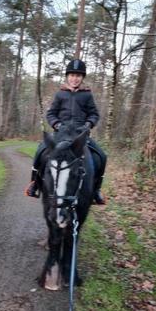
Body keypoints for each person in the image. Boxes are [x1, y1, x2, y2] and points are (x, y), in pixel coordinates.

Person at [25, 59, 107, 204]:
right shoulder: (60, 95)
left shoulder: (87, 95)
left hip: (80, 135)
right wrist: (57, 124)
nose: (75, 79)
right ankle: (35, 184)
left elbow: (94, 114)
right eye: (72, 75)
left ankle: (96, 190)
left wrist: (88, 125)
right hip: (60, 133)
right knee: (40, 151)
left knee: (101, 155)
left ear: (82, 78)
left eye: (78, 76)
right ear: (67, 77)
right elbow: (51, 114)